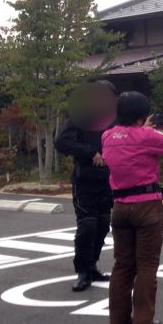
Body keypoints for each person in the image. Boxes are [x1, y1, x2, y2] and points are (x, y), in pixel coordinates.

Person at [101, 92, 163, 324]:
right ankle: (143, 321)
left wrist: (145, 127)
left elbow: (128, 137)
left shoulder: (107, 136)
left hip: (119, 207)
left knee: (122, 264)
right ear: (141, 116)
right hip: (146, 207)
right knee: (147, 265)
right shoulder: (147, 136)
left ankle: (118, 320)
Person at [55, 80, 117, 292]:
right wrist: (90, 152)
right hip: (85, 180)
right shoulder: (82, 117)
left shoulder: (116, 119)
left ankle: (92, 266)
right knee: (87, 226)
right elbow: (61, 142)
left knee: (103, 225)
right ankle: (82, 271)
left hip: (108, 180)